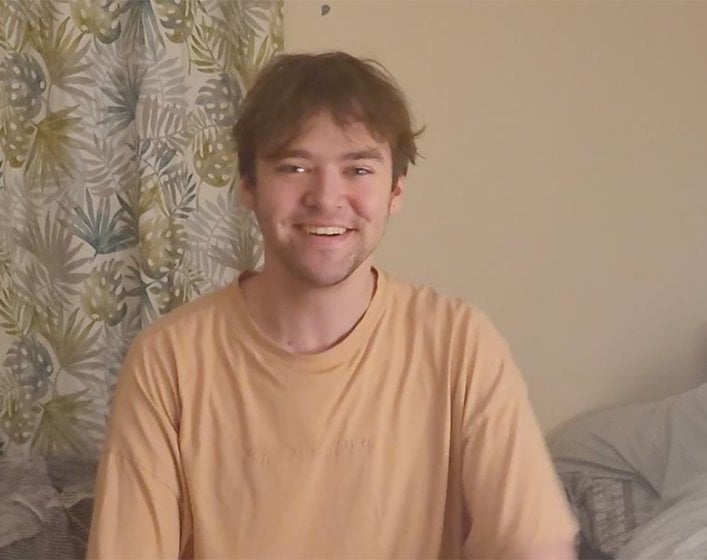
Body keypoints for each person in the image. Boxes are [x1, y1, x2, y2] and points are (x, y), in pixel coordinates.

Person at [87, 51, 578, 559]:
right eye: (294, 167)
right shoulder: (167, 360)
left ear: (395, 192)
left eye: (358, 169)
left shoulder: (460, 344)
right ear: (249, 188)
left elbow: (534, 544)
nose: (326, 197)